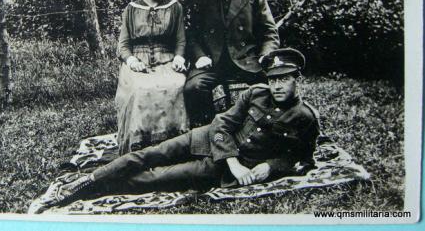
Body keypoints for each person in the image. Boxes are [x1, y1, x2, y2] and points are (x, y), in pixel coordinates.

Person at [28, 48, 319, 213]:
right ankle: (76, 185)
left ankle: (93, 188)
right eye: (273, 79)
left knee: (154, 178)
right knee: (147, 155)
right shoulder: (255, 93)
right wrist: (232, 158)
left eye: (284, 79)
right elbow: (222, 124)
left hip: (221, 170)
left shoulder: (305, 117)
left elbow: (303, 160)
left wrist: (269, 166)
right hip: (206, 139)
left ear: (297, 80)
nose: (277, 86)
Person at [185, 0, 280, 126]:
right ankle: (209, 132)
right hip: (214, 64)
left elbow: (270, 32)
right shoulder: (205, 1)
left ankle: (265, 127)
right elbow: (192, 35)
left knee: (272, 84)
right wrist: (200, 56)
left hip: (248, 61)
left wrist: (265, 56)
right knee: (193, 87)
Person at [114, 0, 189, 155]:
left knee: (176, 85)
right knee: (141, 89)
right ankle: (140, 145)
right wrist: (131, 61)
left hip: (167, 60)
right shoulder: (131, 9)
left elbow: (181, 39)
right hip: (138, 61)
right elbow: (123, 44)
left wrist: (179, 57)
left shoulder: (175, 7)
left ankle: (174, 145)